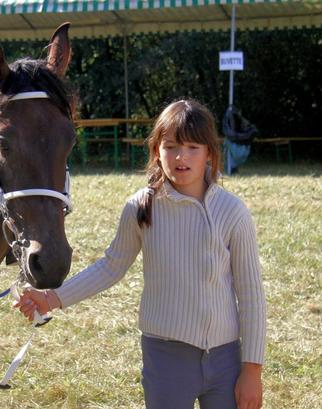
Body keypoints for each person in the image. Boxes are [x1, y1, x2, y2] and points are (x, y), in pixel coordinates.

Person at [15, 99, 266, 409]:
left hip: (227, 360)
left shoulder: (233, 212)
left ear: (210, 154)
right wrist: (51, 297)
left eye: (192, 147)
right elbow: (110, 267)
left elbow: (251, 294)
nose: (180, 156)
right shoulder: (140, 208)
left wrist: (252, 369)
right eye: (171, 146)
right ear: (156, 150)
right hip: (166, 360)